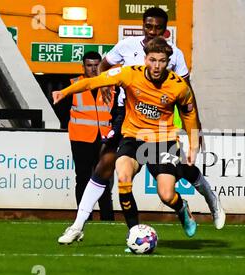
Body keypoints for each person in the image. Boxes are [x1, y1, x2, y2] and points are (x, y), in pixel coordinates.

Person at [54, 37, 201, 244]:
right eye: (152, 60)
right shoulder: (128, 66)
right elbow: (93, 80)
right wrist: (64, 92)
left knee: (167, 191)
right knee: (114, 171)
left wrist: (194, 142)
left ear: (168, 60)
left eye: (161, 60)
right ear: (145, 58)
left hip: (160, 135)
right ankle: (91, 227)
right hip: (124, 121)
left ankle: (189, 203)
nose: (156, 65)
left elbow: (189, 112)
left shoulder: (176, 84)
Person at [97, 7, 225, 229]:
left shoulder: (175, 53)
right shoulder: (127, 46)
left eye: (158, 27)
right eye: (148, 26)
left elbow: (187, 91)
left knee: (182, 168)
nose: (152, 31)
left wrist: (195, 126)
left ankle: (210, 197)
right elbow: (104, 65)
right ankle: (123, 229)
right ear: (142, 26)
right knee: (112, 166)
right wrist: (105, 84)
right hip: (128, 118)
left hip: (162, 124)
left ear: (166, 30)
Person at [63, 51, 114, 221]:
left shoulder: (110, 84)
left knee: (104, 181)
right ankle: (85, 217)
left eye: (96, 65)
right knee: (83, 179)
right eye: (89, 65)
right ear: (83, 66)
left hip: (104, 139)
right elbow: (62, 109)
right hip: (80, 139)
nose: (93, 69)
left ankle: (107, 218)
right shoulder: (73, 84)